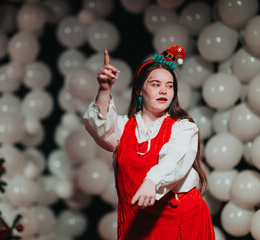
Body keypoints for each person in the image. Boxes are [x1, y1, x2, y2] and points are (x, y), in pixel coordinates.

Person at [84, 45, 215, 239]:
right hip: (137, 222)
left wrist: (152, 180)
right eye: (156, 84)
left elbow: (174, 156)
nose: (164, 91)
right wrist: (104, 90)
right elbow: (100, 129)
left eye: (169, 86)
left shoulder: (183, 128)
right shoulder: (123, 126)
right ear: (139, 90)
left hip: (180, 223)